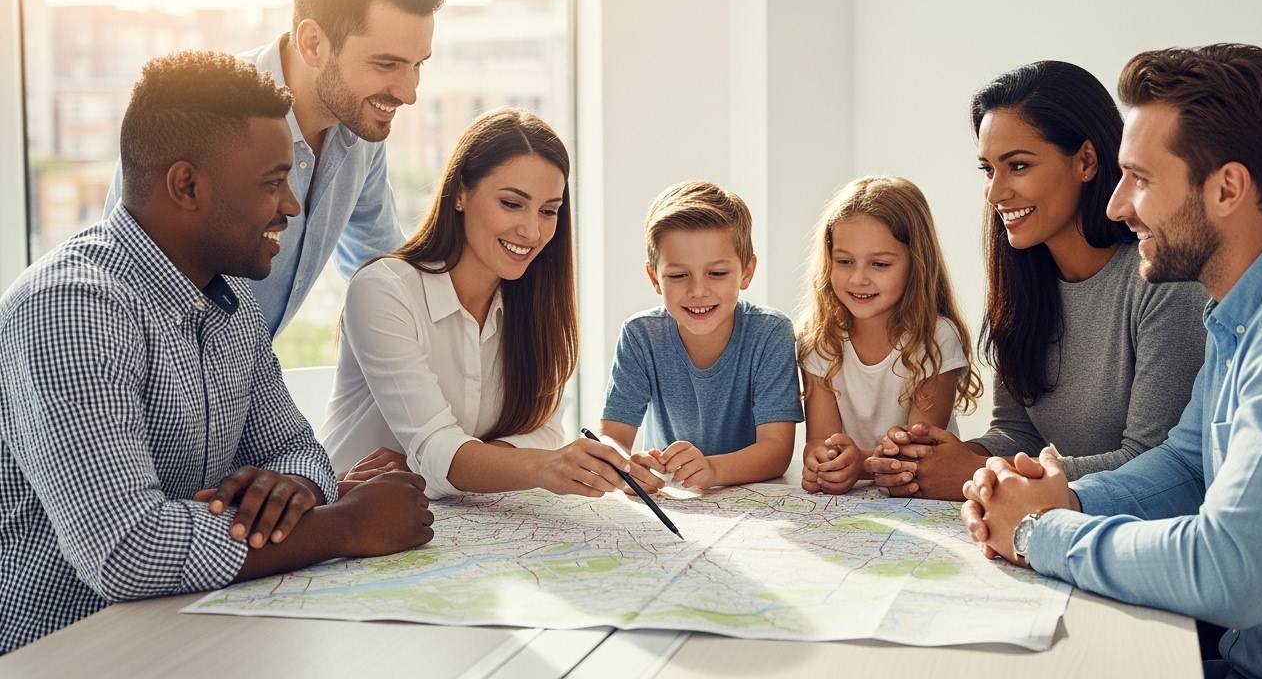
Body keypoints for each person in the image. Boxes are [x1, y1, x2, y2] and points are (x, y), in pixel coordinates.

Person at [961, 44, 1262, 679]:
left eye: (1139, 179)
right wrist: (1068, 500)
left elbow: (1233, 573)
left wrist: (1040, 533)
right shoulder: (1246, 308)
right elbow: (1188, 464)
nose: (1117, 205)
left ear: (1227, 188)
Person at [0, 51, 434, 654]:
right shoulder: (71, 308)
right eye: (271, 182)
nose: (292, 205)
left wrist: (293, 489)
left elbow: (295, 450)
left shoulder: (233, 306)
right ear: (187, 185)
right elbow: (127, 547)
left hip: (194, 633)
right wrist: (346, 525)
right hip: (67, 653)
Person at [866, 61, 1207, 500]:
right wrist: (930, 459)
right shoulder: (1020, 286)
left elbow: (1153, 462)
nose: (995, 193)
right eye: (988, 170)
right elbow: (1017, 432)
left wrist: (978, 471)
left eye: (1019, 166)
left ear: (1085, 161)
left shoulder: (1162, 284)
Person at [103, 0, 447, 336]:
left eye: (417, 64)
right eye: (386, 64)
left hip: (249, 381)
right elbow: (124, 282)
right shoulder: (203, 115)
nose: (409, 93)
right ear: (313, 43)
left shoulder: (359, 124)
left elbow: (381, 267)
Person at [318, 109, 647, 499]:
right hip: (350, 517)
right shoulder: (383, 291)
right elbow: (438, 447)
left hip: (452, 522)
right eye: (511, 204)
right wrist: (458, 461)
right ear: (460, 192)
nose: (532, 231)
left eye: (548, 211)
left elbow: (544, 431)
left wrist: (445, 463)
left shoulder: (535, 303)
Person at [600, 182, 804, 490]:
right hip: (674, 502)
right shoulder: (640, 336)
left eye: (717, 274)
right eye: (679, 276)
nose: (698, 291)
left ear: (746, 272)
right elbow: (612, 437)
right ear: (655, 278)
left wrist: (712, 469)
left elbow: (776, 451)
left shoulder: (770, 333)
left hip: (751, 502)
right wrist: (625, 468)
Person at [796, 176, 980, 495]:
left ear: (916, 264)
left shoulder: (936, 339)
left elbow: (920, 454)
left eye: (879, 264)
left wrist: (860, 465)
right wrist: (824, 462)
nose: (858, 278)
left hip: (926, 496)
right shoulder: (819, 337)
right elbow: (819, 439)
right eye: (844, 261)